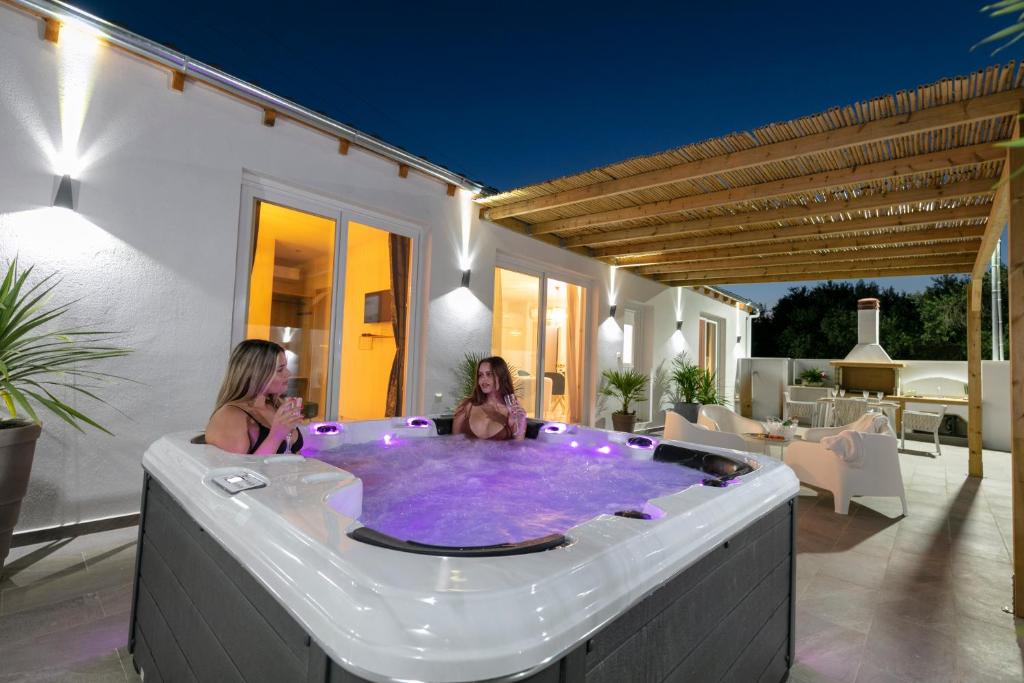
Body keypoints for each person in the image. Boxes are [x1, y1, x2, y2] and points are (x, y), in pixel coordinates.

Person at [205, 339, 305, 455]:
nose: (288, 374)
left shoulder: (276, 405)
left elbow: (296, 454)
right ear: (256, 374)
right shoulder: (230, 416)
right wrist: (276, 436)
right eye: (280, 369)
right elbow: (237, 470)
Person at [452, 356, 527, 440]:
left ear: (501, 377)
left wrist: (519, 426)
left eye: (489, 374)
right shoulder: (467, 406)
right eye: (480, 375)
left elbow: (519, 449)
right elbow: (454, 444)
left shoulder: (513, 410)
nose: (483, 380)